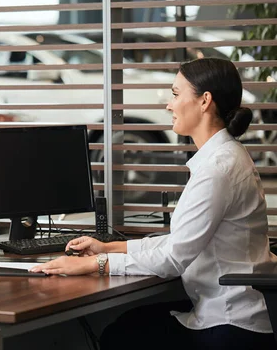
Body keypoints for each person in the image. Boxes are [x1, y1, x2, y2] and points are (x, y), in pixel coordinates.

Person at [31, 58, 277, 349]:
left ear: (204, 101)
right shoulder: (227, 156)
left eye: (175, 94)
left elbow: (173, 257)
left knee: (120, 335)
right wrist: (109, 248)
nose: (169, 105)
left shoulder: (218, 169)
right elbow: (180, 242)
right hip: (232, 312)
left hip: (230, 322)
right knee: (124, 327)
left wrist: (95, 264)